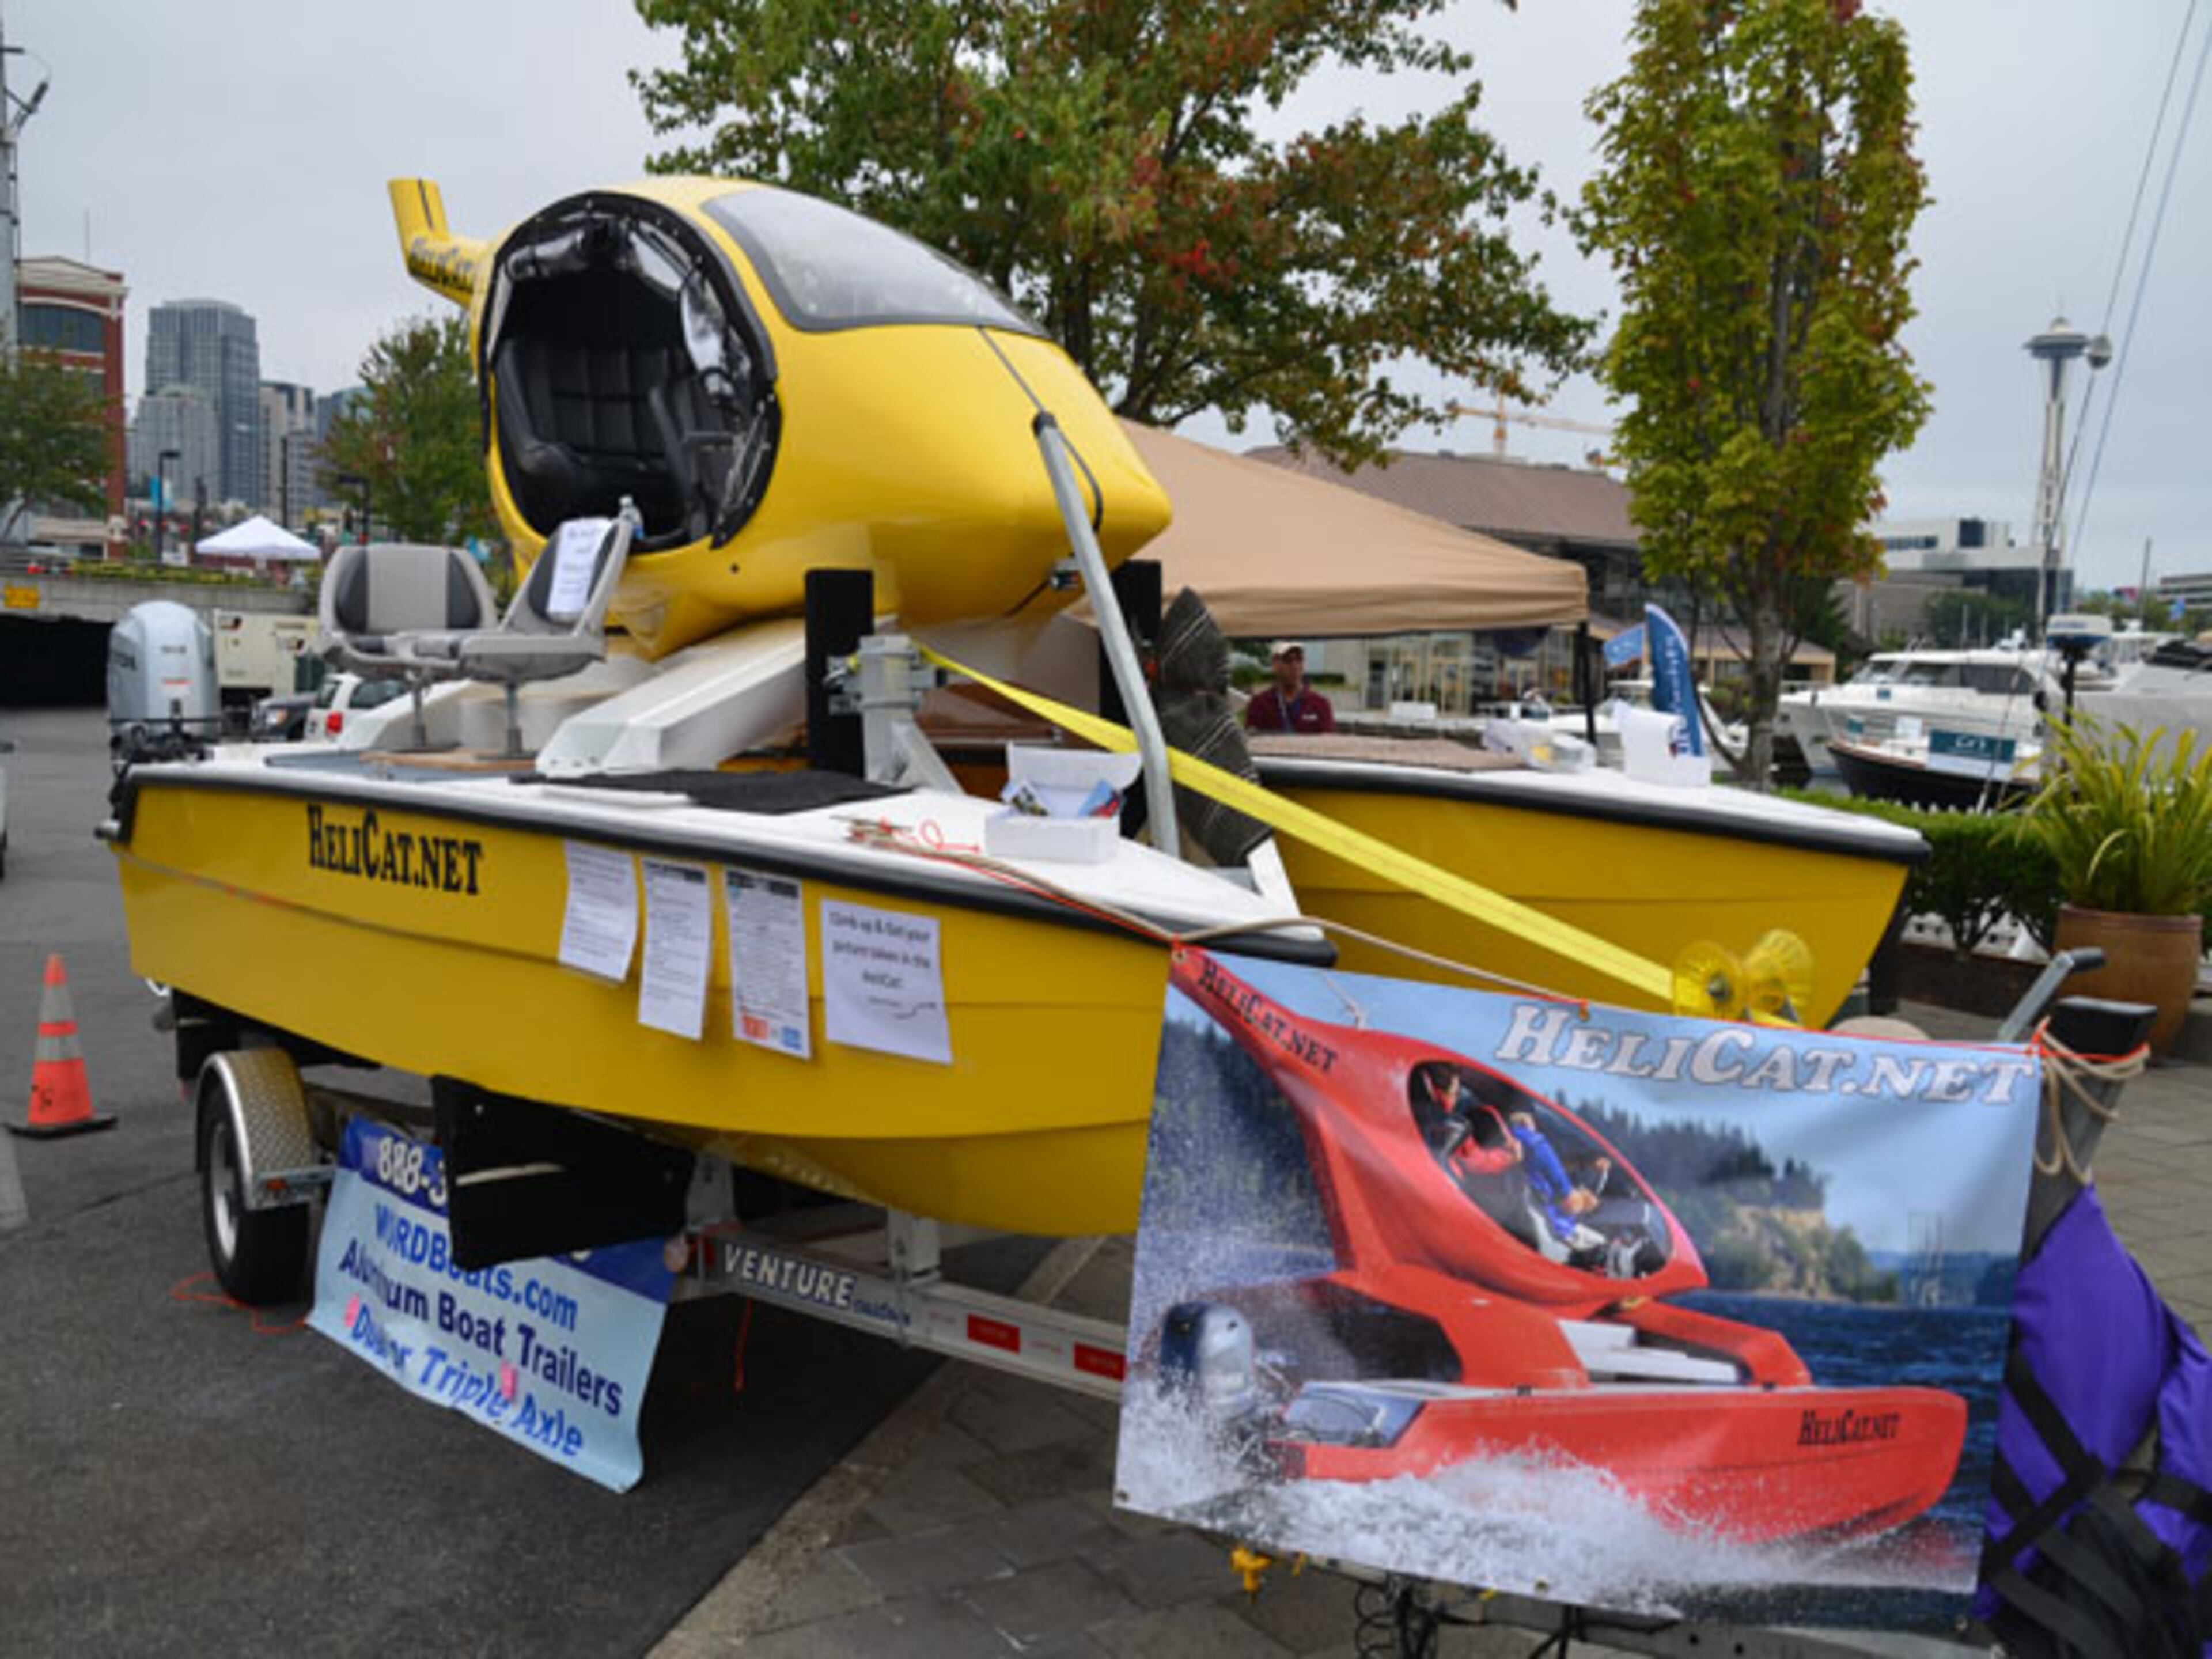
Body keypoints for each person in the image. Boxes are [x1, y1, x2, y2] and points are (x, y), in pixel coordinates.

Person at [1508, 1109, 1609, 1256]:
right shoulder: (1535, 1142)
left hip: (1543, 1220)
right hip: (1540, 1228)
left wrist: (1585, 1164)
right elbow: (1570, 1200)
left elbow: (1557, 1168)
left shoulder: (1536, 1144)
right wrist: (1577, 1198)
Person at [1244, 641, 1336, 734]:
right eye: (1288, 660)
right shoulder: (1260, 704)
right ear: (1275, 664)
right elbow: (1250, 741)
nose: (1294, 666)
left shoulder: (1320, 704)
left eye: (1299, 659)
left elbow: (1328, 742)